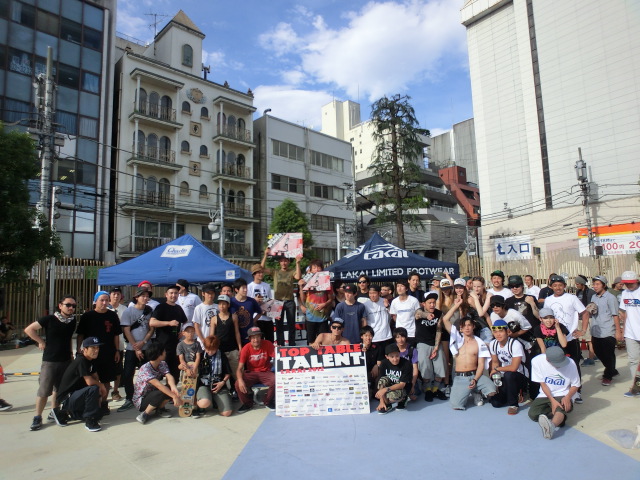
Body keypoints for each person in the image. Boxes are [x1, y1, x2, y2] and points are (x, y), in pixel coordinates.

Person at [24, 295, 77, 431]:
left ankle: (55, 411)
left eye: (73, 306)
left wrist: (71, 354)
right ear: (60, 305)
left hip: (65, 360)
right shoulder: (49, 319)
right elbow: (29, 330)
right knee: (44, 390)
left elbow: (69, 339)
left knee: (59, 390)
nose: (71, 308)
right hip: (50, 361)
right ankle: (37, 416)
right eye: (68, 305)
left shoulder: (72, 321)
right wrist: (41, 341)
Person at [442, 299, 496, 410]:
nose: (467, 328)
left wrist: (475, 379)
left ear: (473, 327)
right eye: (464, 326)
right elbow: (445, 319)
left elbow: (481, 365)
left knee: (492, 391)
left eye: (469, 325)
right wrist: (456, 305)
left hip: (476, 376)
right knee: (456, 405)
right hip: (460, 377)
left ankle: (476, 391)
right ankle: (469, 391)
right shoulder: (456, 338)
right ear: (460, 329)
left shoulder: (479, 343)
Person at [543, 274, 588, 403]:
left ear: (564, 286)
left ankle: (577, 392)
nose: (558, 288)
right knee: (555, 365)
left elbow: (584, 312)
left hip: (570, 338)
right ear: (551, 287)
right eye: (555, 285)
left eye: (560, 285)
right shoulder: (548, 300)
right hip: (554, 339)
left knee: (573, 365)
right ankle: (560, 390)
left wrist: (583, 330)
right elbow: (545, 317)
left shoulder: (572, 298)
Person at [76, 291, 122, 415]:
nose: (104, 302)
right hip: (90, 355)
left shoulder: (112, 315)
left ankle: (103, 403)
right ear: (95, 301)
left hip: (108, 352)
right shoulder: (87, 316)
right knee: (91, 380)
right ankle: (92, 405)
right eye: (102, 300)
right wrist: (79, 349)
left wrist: (117, 350)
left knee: (106, 380)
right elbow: (80, 334)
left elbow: (116, 335)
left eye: (107, 300)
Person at [54, 337, 108, 432]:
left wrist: (99, 397)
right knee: (93, 389)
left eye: (97, 348)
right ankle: (90, 421)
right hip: (67, 399)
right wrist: (101, 386)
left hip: (77, 395)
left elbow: (95, 377)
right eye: (93, 348)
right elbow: (90, 382)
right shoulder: (81, 360)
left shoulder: (91, 360)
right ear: (85, 349)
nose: (96, 350)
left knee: (99, 414)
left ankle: (64, 414)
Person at [529, 346, 581, 440]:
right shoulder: (536, 361)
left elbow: (576, 385)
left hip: (563, 393)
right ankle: (558, 417)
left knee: (561, 407)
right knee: (532, 414)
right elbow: (543, 384)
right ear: (547, 359)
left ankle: (551, 427)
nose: (560, 366)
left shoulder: (571, 363)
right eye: (557, 363)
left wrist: (568, 397)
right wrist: (552, 400)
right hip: (546, 394)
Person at [117, 288, 155, 412]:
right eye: (142, 296)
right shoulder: (129, 311)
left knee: (148, 374)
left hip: (146, 346)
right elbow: (126, 330)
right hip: (131, 348)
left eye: (147, 296)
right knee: (128, 374)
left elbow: (151, 329)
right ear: (136, 297)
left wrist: (144, 342)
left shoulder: (150, 311)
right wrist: (136, 347)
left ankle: (145, 396)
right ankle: (130, 397)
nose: (145, 298)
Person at [133, 342, 183, 425]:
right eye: (164, 351)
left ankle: (160, 409)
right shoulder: (145, 369)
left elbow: (169, 376)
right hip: (141, 400)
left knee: (169, 389)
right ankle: (144, 414)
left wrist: (173, 387)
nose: (165, 352)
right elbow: (158, 385)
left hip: (153, 393)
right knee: (163, 391)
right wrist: (174, 396)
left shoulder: (162, 363)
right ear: (159, 355)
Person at [260, 248, 302, 347]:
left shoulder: (291, 271)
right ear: (279, 262)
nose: (284, 263)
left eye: (286, 261)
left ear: (288, 262)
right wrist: (265, 255)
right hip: (277, 302)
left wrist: (297, 263)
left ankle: (292, 344)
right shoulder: (275, 271)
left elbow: (298, 277)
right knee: (279, 325)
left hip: (290, 301)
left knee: (291, 325)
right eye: (282, 261)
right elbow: (261, 269)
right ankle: (280, 345)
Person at [488, 319, 528, 415]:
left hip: (519, 375)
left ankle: (514, 405)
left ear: (508, 332)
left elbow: (514, 368)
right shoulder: (493, 344)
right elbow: (495, 362)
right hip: (504, 375)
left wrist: (497, 369)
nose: (498, 334)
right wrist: (496, 377)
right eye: (495, 332)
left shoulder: (515, 344)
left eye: (501, 331)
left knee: (509, 374)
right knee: (496, 403)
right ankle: (513, 394)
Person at [149, 285, 189, 381]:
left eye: (176, 293)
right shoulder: (161, 307)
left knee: (174, 372)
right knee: (158, 373)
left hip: (175, 345)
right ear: (166, 295)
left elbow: (186, 321)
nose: (173, 295)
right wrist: (168, 323)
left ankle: (171, 389)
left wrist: (183, 331)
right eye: (171, 293)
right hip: (162, 345)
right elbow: (152, 322)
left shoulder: (178, 308)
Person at [590, 275, 622, 386]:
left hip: (608, 330)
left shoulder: (610, 298)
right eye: (594, 284)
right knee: (598, 352)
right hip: (596, 330)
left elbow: (615, 315)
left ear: (604, 285)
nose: (595, 286)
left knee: (608, 354)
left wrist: (618, 331)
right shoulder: (593, 297)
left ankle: (608, 376)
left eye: (597, 284)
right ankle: (612, 370)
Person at [415, 292, 446, 401]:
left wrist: (436, 346)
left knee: (440, 366)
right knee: (425, 367)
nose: (432, 305)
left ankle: (435, 389)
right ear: (424, 304)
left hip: (435, 343)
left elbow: (439, 330)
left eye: (434, 302)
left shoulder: (439, 313)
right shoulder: (419, 311)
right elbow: (419, 314)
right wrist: (427, 315)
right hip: (422, 343)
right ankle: (427, 389)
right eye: (429, 303)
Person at [235, 326, 276, 412]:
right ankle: (247, 403)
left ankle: (268, 401)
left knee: (275, 380)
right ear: (249, 339)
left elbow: (277, 356)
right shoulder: (246, 348)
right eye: (253, 338)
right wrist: (240, 380)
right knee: (238, 384)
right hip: (251, 372)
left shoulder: (268, 344)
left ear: (261, 337)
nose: (256, 340)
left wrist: (279, 349)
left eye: (257, 337)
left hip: (265, 371)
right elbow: (239, 368)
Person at [211, 294, 242, 397]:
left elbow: (237, 333)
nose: (221, 306)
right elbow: (212, 336)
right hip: (219, 351)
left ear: (228, 305)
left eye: (224, 304)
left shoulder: (233, 317)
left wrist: (240, 347)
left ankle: (237, 391)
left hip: (232, 349)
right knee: (220, 372)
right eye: (220, 304)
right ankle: (221, 392)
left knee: (236, 372)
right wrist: (212, 348)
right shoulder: (214, 319)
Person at [196, 335, 233, 417]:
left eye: (212, 350)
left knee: (227, 413)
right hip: (204, 385)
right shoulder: (201, 355)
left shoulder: (222, 355)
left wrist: (222, 382)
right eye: (207, 349)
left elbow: (228, 373)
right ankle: (199, 403)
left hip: (219, 385)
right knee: (204, 403)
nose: (209, 352)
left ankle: (216, 400)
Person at [299, 259, 334, 345]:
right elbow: (303, 299)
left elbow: (331, 299)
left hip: (323, 317)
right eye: (314, 268)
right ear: (310, 270)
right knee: (311, 341)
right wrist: (301, 287)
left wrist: (324, 304)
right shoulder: (306, 282)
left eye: (319, 267)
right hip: (310, 316)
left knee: (323, 341)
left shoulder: (327, 282)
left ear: (322, 269)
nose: (317, 269)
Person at [618, 270, 640, 397]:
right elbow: (624, 313)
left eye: (631, 283)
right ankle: (636, 387)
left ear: (637, 281)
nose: (628, 285)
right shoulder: (625, 293)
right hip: (631, 333)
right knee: (633, 361)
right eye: (626, 283)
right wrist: (623, 330)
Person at [374, 343, 413, 414]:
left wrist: (385, 390)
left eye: (397, 356)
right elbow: (380, 381)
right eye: (392, 357)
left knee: (393, 396)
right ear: (387, 357)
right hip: (390, 385)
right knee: (382, 381)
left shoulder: (406, 364)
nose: (395, 359)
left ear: (399, 354)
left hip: (402, 387)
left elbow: (402, 385)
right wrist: (381, 402)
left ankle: (404, 399)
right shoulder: (384, 363)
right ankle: (386, 404)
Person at [230, 278, 263, 345]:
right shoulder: (231, 302)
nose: (245, 290)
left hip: (248, 335)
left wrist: (253, 321)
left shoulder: (251, 301)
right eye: (243, 288)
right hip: (233, 335)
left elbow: (260, 312)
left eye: (246, 287)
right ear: (236, 289)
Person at [108, 287, 127, 403]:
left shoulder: (124, 309)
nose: (116, 296)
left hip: (119, 343)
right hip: (105, 344)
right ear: (110, 295)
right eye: (114, 294)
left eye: (118, 294)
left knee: (118, 368)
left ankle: (115, 391)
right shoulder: (105, 307)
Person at [389, 281, 420, 345]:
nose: (399, 288)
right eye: (398, 286)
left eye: (402, 286)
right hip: (399, 333)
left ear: (406, 289)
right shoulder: (394, 302)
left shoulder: (414, 300)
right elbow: (394, 316)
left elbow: (418, 314)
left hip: (411, 333)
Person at [393, 327, 419, 405]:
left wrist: (412, 385)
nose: (400, 339)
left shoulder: (412, 350)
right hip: (395, 376)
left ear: (406, 337)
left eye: (402, 337)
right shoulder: (392, 349)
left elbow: (415, 369)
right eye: (398, 337)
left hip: (408, 377)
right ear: (395, 339)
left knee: (416, 393)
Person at [193, 282, 219, 348]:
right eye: (208, 293)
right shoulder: (199, 308)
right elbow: (196, 326)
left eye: (212, 293)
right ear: (203, 294)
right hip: (203, 342)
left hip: (216, 341)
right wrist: (203, 340)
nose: (210, 295)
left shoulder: (218, 307)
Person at [360, 325, 383, 394]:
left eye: (370, 336)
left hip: (373, 372)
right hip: (361, 372)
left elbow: (379, 361)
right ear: (362, 336)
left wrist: (377, 366)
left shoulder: (377, 347)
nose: (368, 338)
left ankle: (376, 393)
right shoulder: (357, 347)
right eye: (366, 336)